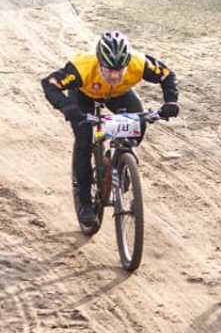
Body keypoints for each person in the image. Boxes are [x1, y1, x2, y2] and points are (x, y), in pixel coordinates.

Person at [41, 30, 179, 228]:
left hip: (119, 95)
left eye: (119, 70)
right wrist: (67, 107)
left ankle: (119, 160)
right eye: (108, 70)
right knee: (84, 141)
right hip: (84, 95)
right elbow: (49, 83)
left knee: (138, 123)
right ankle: (86, 204)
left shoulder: (139, 63)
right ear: (99, 63)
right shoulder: (83, 67)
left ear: (127, 64)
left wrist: (171, 101)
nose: (114, 75)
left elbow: (167, 74)